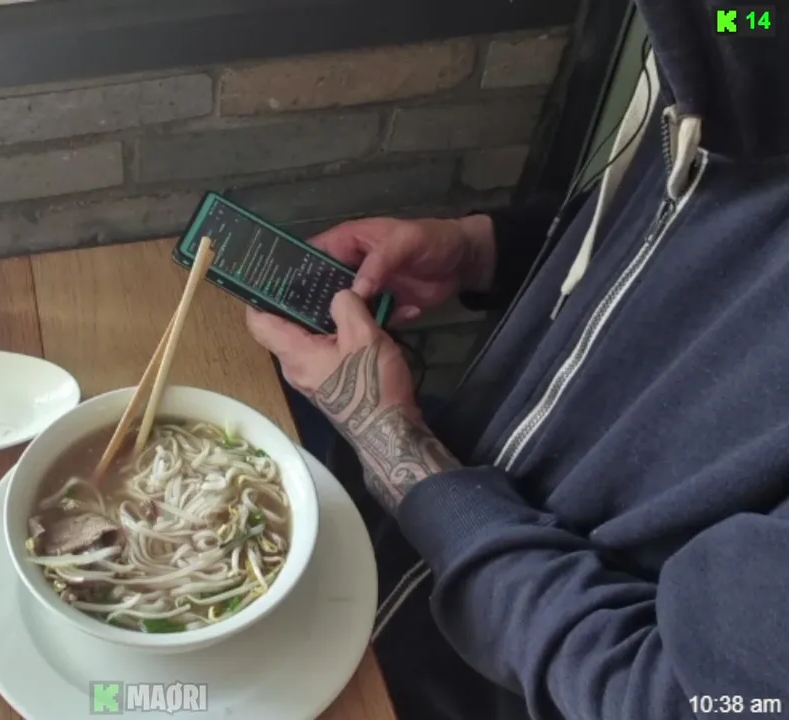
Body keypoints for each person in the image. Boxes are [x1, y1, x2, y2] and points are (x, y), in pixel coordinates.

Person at [245, 1, 789, 718]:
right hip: (421, 524)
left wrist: (395, 447)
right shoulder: (736, 27)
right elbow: (688, 220)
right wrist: (488, 249)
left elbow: (672, 698)